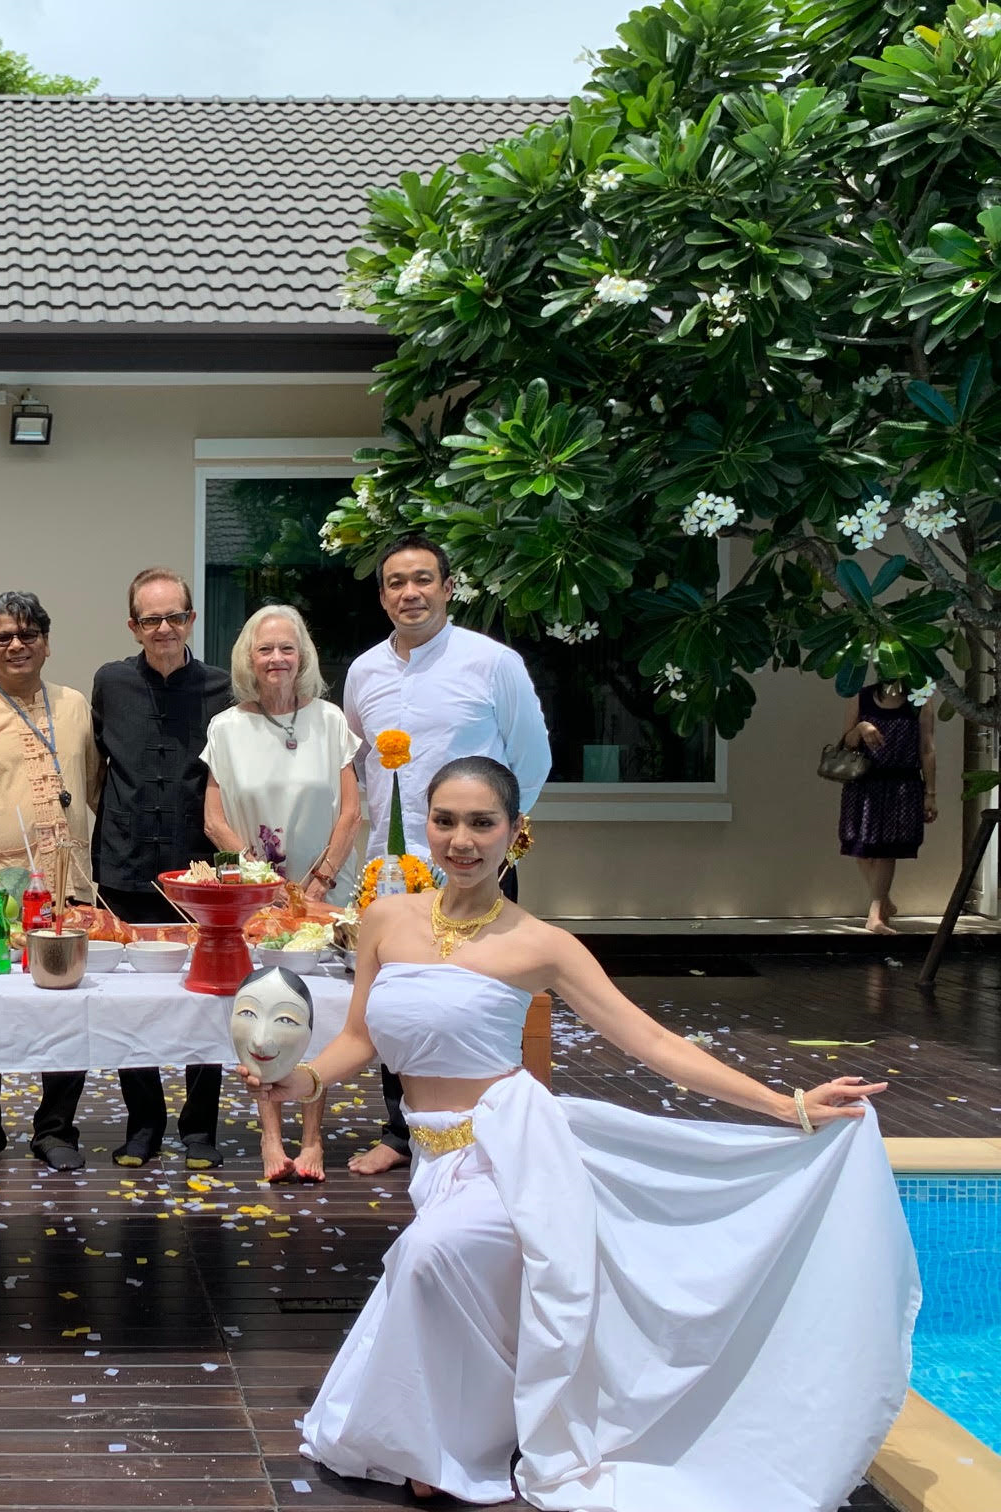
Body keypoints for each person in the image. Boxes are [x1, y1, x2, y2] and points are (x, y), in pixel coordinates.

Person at [252, 756, 916, 1510]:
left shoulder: (543, 944)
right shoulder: (384, 920)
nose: (461, 840)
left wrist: (785, 1104)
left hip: (512, 1148)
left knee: (432, 1256)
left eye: (481, 823)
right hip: (432, 1157)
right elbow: (359, 1039)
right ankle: (461, 1432)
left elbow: (654, 1044)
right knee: (455, 1279)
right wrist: (300, 1080)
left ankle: (437, 1447)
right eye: (445, 820)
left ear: (515, 833)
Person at [342, 533, 551, 1177]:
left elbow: (532, 759)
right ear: (382, 597)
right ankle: (402, 1132)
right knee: (396, 1002)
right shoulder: (364, 672)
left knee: (480, 1001)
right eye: (397, 582)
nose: (411, 592)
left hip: (475, 867)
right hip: (394, 870)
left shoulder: (493, 664)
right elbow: (361, 758)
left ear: (448, 587)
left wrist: (495, 845)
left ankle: (491, 1127)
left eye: (424, 579)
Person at [0, 590, 102, 1172]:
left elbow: (96, 786)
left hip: (66, 891)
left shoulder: (76, 707)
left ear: (47, 643)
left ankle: (56, 1128)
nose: (16, 645)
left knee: (66, 1010)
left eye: (28, 634)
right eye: (2, 636)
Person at [202, 605, 360, 1182]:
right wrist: (261, 881)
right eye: (264, 649)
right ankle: (271, 1136)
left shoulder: (331, 721)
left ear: (304, 656)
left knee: (318, 1012)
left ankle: (313, 1138)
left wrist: (319, 880)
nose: (276, 659)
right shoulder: (225, 727)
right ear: (249, 658)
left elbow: (351, 812)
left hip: (324, 889)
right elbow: (214, 819)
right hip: (258, 893)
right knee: (264, 1013)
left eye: (286, 648)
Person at [91, 566, 232, 1168]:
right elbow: (99, 765)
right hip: (125, 865)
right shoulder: (110, 683)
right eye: (151, 619)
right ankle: (143, 1122)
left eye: (175, 616)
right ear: (133, 625)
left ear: (191, 620)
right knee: (134, 1002)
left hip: (201, 873)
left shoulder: (222, 688)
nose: (165, 628)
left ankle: (200, 1126)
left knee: (208, 996)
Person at [836, 680, 936, 934]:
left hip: (901, 783)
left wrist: (930, 793)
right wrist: (861, 727)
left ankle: (875, 914)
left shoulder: (920, 698)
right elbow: (847, 742)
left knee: (886, 848)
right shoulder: (861, 696)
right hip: (864, 783)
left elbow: (926, 748)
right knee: (859, 846)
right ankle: (884, 901)